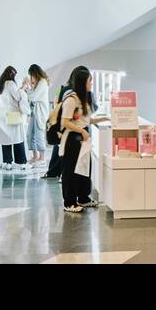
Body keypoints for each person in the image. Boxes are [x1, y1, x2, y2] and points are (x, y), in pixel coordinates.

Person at [58, 65, 107, 213]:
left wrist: (101, 119)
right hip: (73, 138)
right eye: (89, 81)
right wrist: (81, 131)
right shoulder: (71, 99)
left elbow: (85, 120)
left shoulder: (83, 98)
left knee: (84, 169)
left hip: (83, 137)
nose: (91, 83)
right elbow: (65, 121)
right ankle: (69, 202)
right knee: (71, 171)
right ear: (82, 82)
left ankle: (83, 198)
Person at [0, 65, 28, 171]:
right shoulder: (10, 84)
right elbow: (18, 97)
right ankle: (21, 162)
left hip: (1, 116)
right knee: (18, 138)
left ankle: (8, 162)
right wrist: (23, 87)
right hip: (12, 115)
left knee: (6, 140)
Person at [23, 64, 51, 167]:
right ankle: (35, 156)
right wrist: (30, 87)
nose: (31, 78)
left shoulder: (43, 82)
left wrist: (26, 88)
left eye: (32, 75)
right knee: (30, 134)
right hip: (34, 112)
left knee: (39, 135)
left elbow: (33, 97)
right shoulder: (38, 83)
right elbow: (32, 95)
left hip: (40, 113)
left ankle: (42, 158)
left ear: (36, 73)